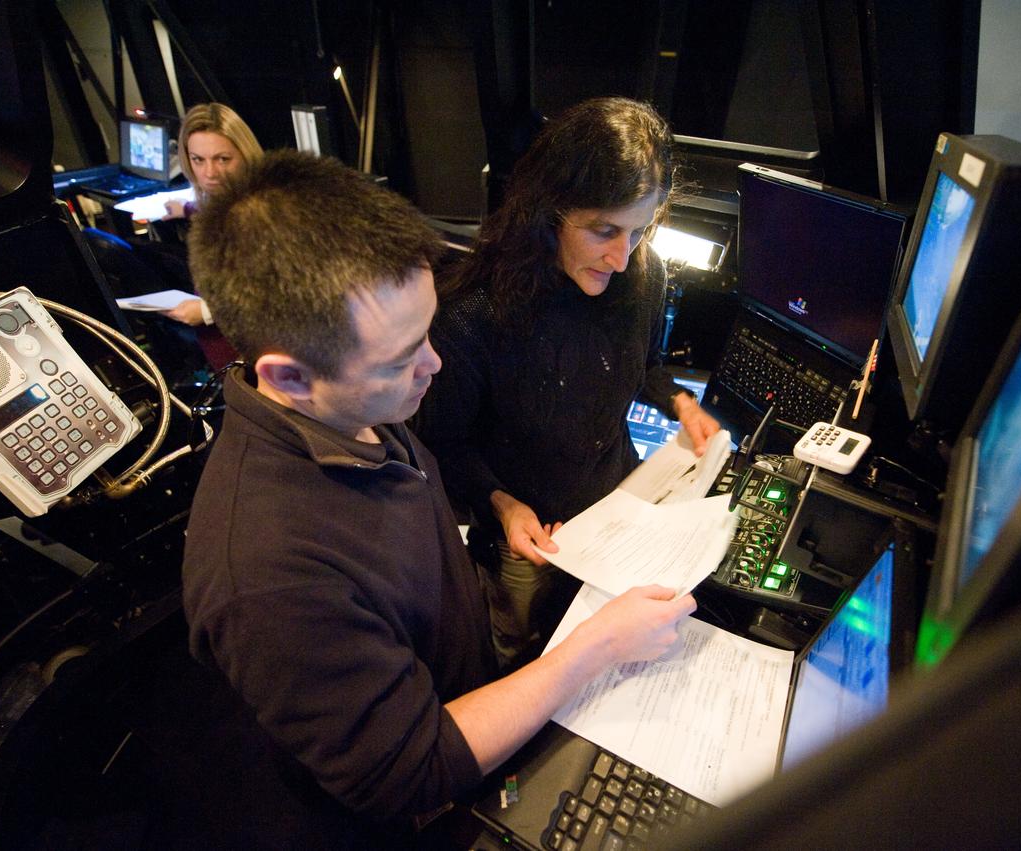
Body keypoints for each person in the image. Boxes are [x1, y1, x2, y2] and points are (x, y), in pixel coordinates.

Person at [181, 150, 697, 838]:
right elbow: (414, 767)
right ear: (291, 377)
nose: (435, 364)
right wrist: (596, 647)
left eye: (426, 332)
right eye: (402, 358)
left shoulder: (352, 412)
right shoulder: (267, 576)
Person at [414, 97, 721, 664]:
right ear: (546, 212)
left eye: (638, 231)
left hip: (619, 507)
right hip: (529, 543)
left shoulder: (642, 272)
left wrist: (679, 401)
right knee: (529, 661)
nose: (622, 258)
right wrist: (503, 504)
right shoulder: (472, 316)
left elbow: (642, 362)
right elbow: (441, 445)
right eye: (603, 230)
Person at [160, 102, 264, 327]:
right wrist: (187, 208)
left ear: (246, 155)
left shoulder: (262, 215)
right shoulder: (218, 202)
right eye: (198, 160)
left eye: (223, 159)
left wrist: (207, 311)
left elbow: (273, 295)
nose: (210, 173)